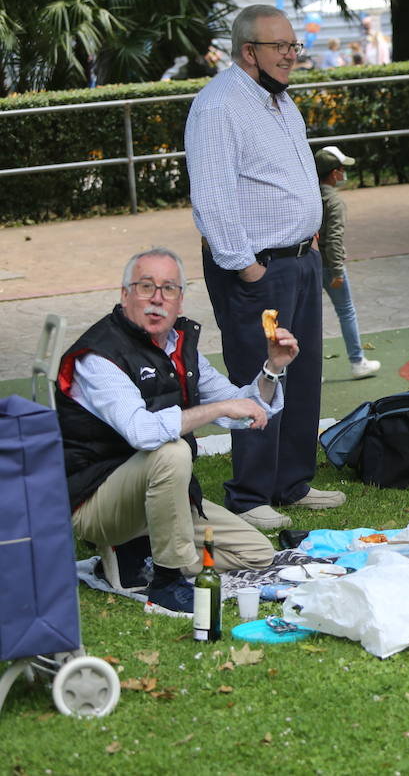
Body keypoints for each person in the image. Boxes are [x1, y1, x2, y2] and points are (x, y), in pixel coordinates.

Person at [54, 248, 290, 612]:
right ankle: (165, 582)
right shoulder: (99, 355)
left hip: (160, 495)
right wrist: (220, 408)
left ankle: (139, 560)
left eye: (168, 289)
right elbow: (142, 432)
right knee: (172, 450)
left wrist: (272, 369)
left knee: (256, 553)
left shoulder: (180, 345)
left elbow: (243, 410)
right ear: (125, 294)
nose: (157, 299)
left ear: (180, 299)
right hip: (95, 501)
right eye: (146, 286)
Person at [185, 4, 341, 531]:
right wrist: (246, 267)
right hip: (257, 268)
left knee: (303, 373)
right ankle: (250, 496)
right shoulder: (218, 106)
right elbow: (212, 197)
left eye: (295, 46)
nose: (293, 56)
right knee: (260, 375)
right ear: (249, 51)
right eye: (282, 47)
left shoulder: (280, 102)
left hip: (299, 260)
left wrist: (311, 240)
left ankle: (291, 483)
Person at [317, 146, 382, 379]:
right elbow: (333, 238)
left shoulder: (310, 196)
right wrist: (336, 271)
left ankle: (311, 371)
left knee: (310, 319)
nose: (344, 174)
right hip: (329, 265)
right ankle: (357, 361)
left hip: (310, 263)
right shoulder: (334, 202)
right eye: (342, 169)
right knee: (346, 312)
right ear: (335, 173)